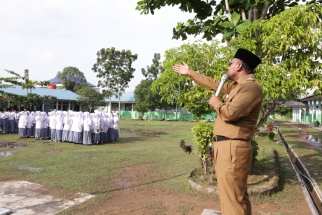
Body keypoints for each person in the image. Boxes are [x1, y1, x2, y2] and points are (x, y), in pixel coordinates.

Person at [173, 48, 263, 215]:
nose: (227, 66)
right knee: (235, 196)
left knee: (233, 199)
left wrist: (216, 103)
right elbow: (213, 83)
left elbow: (232, 113)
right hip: (228, 147)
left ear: (239, 66)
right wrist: (190, 73)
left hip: (233, 148)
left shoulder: (251, 88)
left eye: (230, 63)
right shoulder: (236, 87)